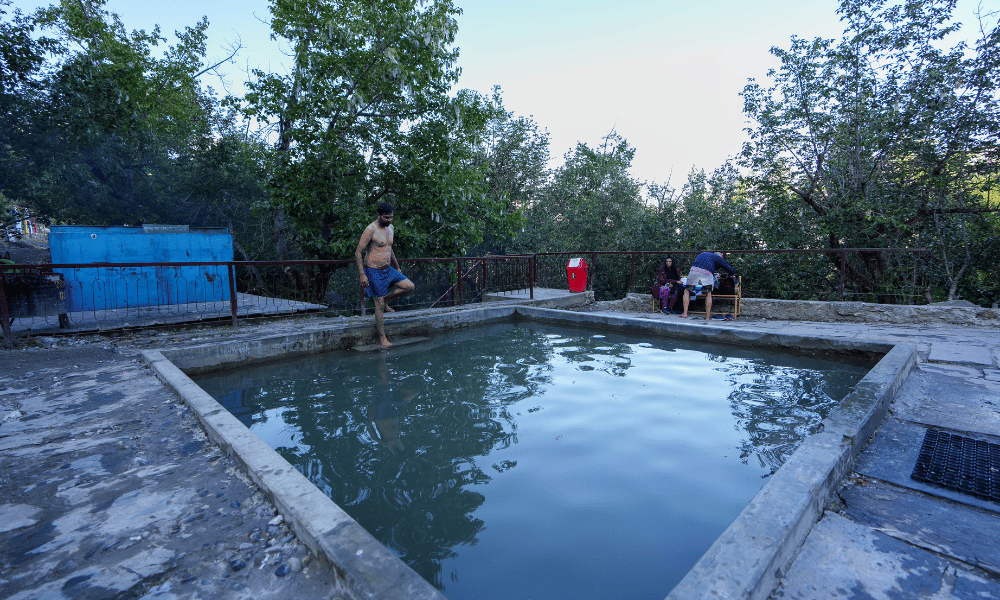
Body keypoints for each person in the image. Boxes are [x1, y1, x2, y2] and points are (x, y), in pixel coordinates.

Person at [355, 203, 414, 347]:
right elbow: (358, 252)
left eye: (391, 217)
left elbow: (389, 248)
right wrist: (362, 274)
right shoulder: (370, 229)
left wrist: (397, 267)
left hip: (388, 270)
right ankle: (382, 339)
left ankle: (385, 300)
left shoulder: (391, 228)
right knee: (378, 305)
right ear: (378, 215)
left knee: (409, 287)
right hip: (373, 270)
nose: (389, 220)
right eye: (386, 217)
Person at [679, 251, 736, 321]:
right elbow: (731, 270)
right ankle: (707, 316)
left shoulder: (703, 253)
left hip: (694, 270)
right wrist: (728, 275)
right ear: (720, 256)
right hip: (707, 272)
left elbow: (700, 263)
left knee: (687, 290)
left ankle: (685, 313)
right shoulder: (718, 257)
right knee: (708, 293)